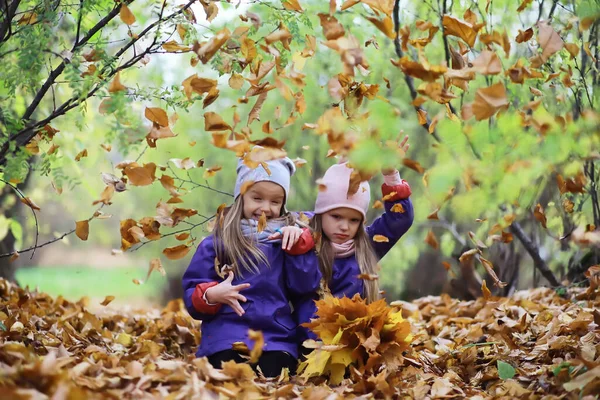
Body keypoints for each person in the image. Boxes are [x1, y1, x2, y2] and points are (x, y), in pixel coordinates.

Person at [182, 154, 320, 377]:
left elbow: (303, 287)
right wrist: (211, 294)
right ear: (241, 196)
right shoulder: (217, 244)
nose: (265, 208)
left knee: (274, 372)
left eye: (275, 201)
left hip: (275, 338)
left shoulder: (285, 241)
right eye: (257, 198)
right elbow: (192, 294)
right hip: (226, 336)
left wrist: (299, 247)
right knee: (231, 371)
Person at [295, 136, 414, 345]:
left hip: (357, 342)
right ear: (321, 214)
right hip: (312, 342)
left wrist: (391, 175)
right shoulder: (304, 239)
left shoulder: (366, 244)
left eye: (353, 220)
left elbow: (400, 219)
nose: (344, 226)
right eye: (336, 217)